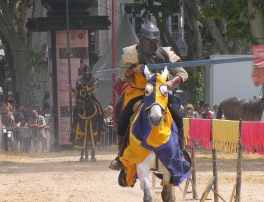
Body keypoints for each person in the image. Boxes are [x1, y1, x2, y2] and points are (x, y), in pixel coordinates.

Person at [109, 22, 188, 170]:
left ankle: (181, 152)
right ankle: (120, 156)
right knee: (124, 119)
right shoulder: (132, 54)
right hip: (139, 93)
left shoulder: (165, 54)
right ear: (142, 39)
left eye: (154, 41)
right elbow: (122, 74)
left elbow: (183, 73)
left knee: (177, 116)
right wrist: (134, 71)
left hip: (160, 93)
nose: (151, 44)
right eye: (148, 40)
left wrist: (171, 83)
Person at [70, 64, 107, 132]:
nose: (87, 74)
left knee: (99, 107)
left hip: (91, 97)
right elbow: (77, 89)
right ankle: (73, 126)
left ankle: (102, 124)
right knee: (75, 109)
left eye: (88, 73)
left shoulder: (94, 80)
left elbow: (96, 89)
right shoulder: (79, 79)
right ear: (83, 73)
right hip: (81, 98)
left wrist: (91, 93)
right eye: (85, 73)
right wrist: (73, 90)